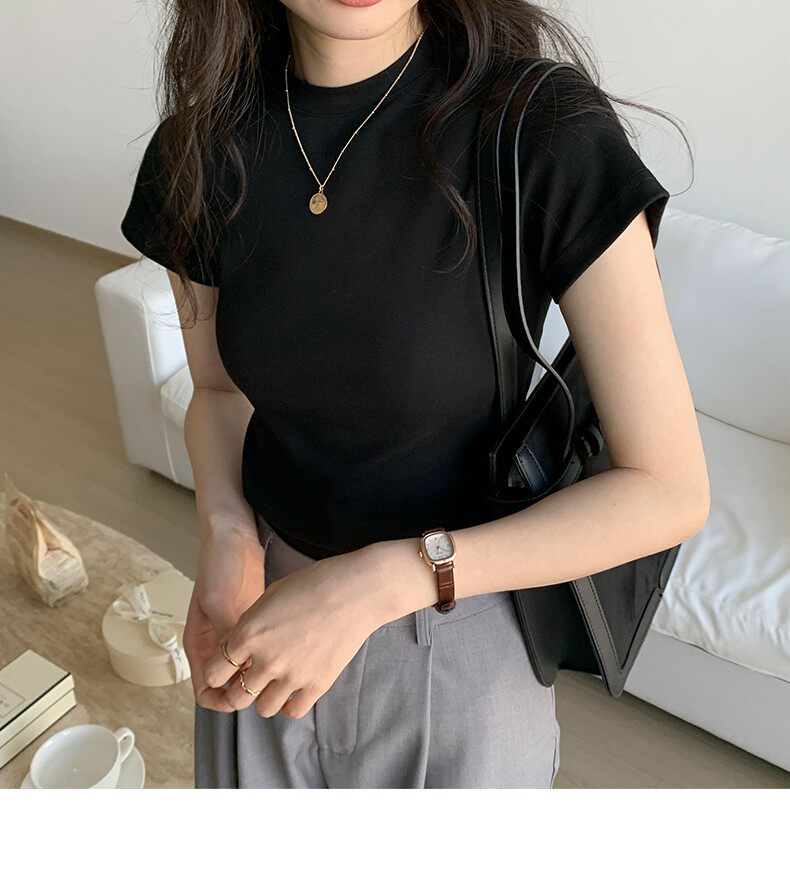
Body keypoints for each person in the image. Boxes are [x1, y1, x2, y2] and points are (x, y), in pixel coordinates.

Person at [121, 0, 708, 788]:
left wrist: (385, 582)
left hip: (463, 628)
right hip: (267, 616)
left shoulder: (542, 129)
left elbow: (670, 490)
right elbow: (219, 389)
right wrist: (226, 531)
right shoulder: (197, 151)